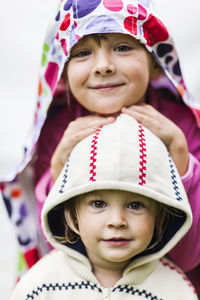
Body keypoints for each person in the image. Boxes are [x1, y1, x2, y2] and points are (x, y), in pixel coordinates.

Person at [1, 0, 200, 292]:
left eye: (122, 47)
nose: (104, 66)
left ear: (154, 60)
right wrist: (58, 169)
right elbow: (60, 255)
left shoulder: (182, 126)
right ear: (63, 71)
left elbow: (189, 257)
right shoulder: (58, 133)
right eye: (82, 53)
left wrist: (180, 156)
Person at [10, 115, 197, 299]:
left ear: (159, 216)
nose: (117, 221)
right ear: (73, 215)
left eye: (135, 205)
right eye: (98, 204)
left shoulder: (176, 291)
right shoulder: (39, 286)